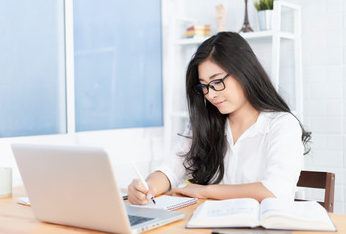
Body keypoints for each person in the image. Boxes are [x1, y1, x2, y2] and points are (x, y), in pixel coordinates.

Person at [128, 31, 311, 205]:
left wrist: (204, 191)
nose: (211, 94)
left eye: (217, 82)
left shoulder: (282, 124)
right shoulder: (205, 123)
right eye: (204, 86)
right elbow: (171, 170)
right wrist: (148, 187)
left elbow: (276, 191)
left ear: (244, 72)